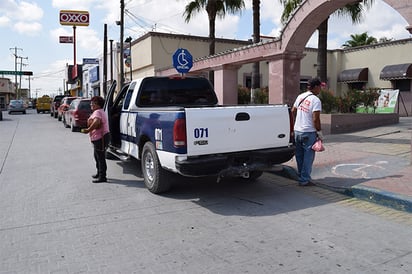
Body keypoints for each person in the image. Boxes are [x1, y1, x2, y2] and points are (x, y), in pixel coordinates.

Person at [291, 78, 323, 186]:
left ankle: (301, 176)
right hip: (309, 132)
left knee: (299, 156)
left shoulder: (300, 96)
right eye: (320, 87)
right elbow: (316, 119)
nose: (320, 89)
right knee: (308, 158)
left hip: (297, 131)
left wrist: (298, 122)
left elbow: (293, 111)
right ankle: (304, 180)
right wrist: (319, 132)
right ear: (316, 87)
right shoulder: (316, 100)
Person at [81, 96, 110, 183]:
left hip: (100, 137)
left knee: (100, 157)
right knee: (97, 156)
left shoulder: (97, 112)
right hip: (99, 137)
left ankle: (102, 177)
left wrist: (88, 130)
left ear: (97, 104)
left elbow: (96, 122)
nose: (91, 104)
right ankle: (99, 173)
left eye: (93, 103)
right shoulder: (99, 111)